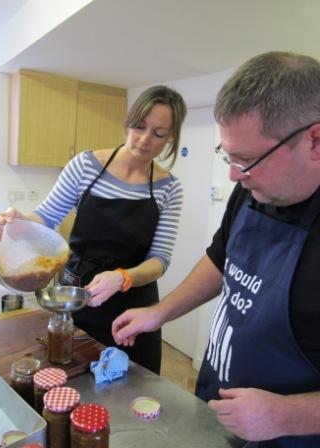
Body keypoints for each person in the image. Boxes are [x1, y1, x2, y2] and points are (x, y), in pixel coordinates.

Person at [111, 51, 320, 447]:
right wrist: (159, 312)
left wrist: (285, 414)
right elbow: (220, 260)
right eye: (228, 156)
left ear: (314, 140)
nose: (233, 175)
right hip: (217, 413)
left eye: (246, 160)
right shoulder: (252, 190)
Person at [0, 85, 187, 375]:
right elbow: (47, 216)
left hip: (133, 306)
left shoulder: (169, 188)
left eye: (158, 134)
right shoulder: (85, 165)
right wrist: (18, 221)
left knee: (132, 389)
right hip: (79, 297)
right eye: (139, 126)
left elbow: (160, 260)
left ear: (170, 137)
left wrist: (122, 277)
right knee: (74, 379)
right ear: (127, 121)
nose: (144, 140)